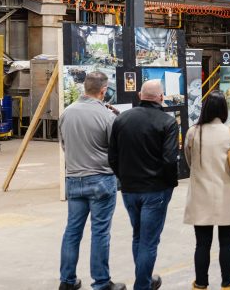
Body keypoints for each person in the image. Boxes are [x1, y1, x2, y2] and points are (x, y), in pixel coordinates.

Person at [109, 80, 178, 290]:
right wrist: (169, 184)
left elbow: (112, 157)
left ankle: (144, 281)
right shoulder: (168, 122)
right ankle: (142, 285)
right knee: (149, 241)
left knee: (138, 236)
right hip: (155, 190)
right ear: (161, 97)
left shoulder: (122, 119)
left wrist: (124, 178)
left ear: (140, 95)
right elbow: (169, 160)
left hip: (130, 189)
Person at [59, 72, 125, 290]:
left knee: (72, 231)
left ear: (84, 87)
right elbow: (115, 150)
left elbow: (64, 145)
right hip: (100, 180)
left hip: (74, 179)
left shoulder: (67, 113)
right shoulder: (107, 116)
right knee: (100, 232)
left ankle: (67, 281)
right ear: (103, 91)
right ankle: (101, 282)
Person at [184, 91, 230, 290]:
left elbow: (189, 161)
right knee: (227, 243)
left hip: (200, 196)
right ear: (223, 110)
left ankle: (200, 284)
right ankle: (227, 284)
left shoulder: (193, 132)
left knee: (202, 244)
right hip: (228, 195)